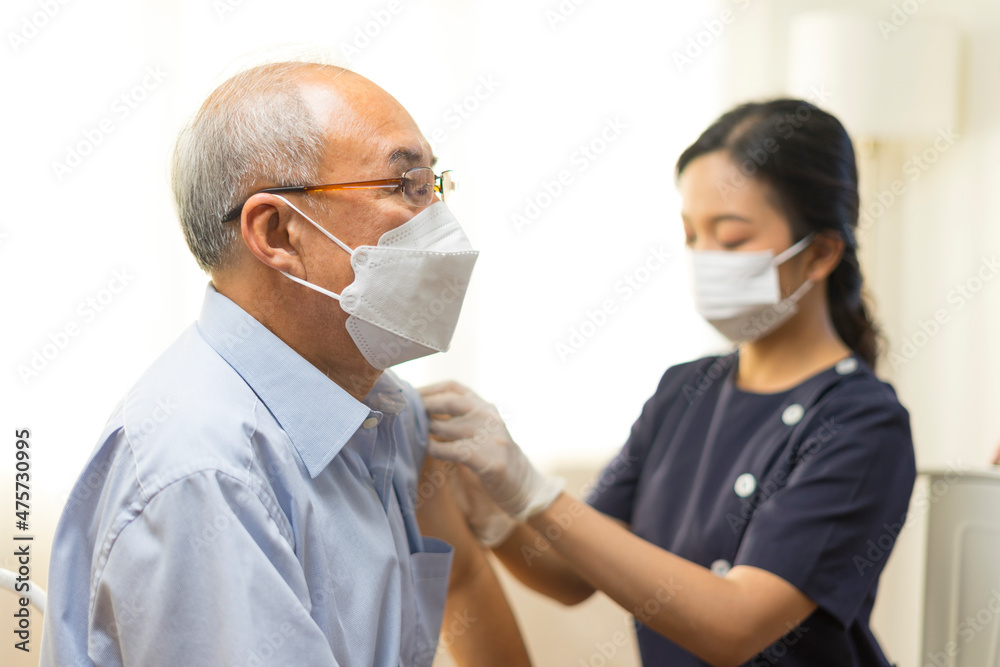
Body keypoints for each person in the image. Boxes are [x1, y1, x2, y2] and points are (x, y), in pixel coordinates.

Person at [40, 61, 530, 666]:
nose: (437, 220)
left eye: (433, 186)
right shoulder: (205, 475)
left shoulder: (383, 412)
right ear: (277, 234)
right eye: (405, 185)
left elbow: (464, 588)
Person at [423, 99, 917, 666]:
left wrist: (534, 489)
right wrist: (496, 511)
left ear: (821, 253)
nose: (706, 257)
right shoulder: (684, 392)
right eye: (691, 235)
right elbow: (570, 575)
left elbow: (735, 626)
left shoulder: (861, 422)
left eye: (730, 239)